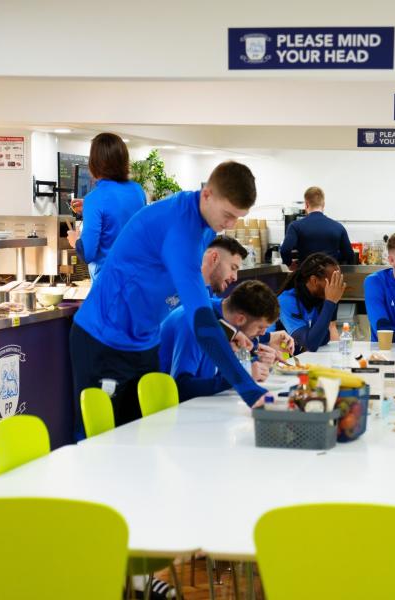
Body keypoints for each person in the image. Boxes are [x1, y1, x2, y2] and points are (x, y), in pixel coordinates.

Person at [70, 161, 267, 434]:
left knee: (146, 436)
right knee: (101, 442)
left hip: (143, 340)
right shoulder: (180, 231)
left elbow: (194, 297)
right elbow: (200, 320)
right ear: (207, 194)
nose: (229, 225)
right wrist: (248, 389)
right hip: (104, 338)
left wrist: (229, 328)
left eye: (237, 217)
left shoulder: (206, 222)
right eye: (228, 215)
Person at [160, 281, 279, 401]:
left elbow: (218, 376)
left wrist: (256, 362)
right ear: (241, 319)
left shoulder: (226, 321)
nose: (263, 333)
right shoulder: (194, 322)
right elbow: (181, 387)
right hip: (165, 410)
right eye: (260, 327)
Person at [66, 133, 146, 279]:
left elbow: (88, 253)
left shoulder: (95, 199)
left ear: (94, 163)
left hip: (109, 282)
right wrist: (89, 207)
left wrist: (75, 241)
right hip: (135, 276)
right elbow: (122, 215)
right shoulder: (137, 190)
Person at [272, 252, 345, 352]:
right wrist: (330, 303)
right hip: (272, 360)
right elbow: (311, 344)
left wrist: (328, 303)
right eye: (333, 280)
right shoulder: (286, 301)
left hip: (295, 359)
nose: (336, 285)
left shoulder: (319, 297)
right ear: (314, 281)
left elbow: (323, 339)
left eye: (338, 279)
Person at [278, 186, 357, 266]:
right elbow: (349, 255)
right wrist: (333, 258)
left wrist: (290, 264)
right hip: (330, 276)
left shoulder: (295, 226)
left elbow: (285, 250)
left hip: (305, 275)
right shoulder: (338, 227)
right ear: (323, 205)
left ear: (306, 205)